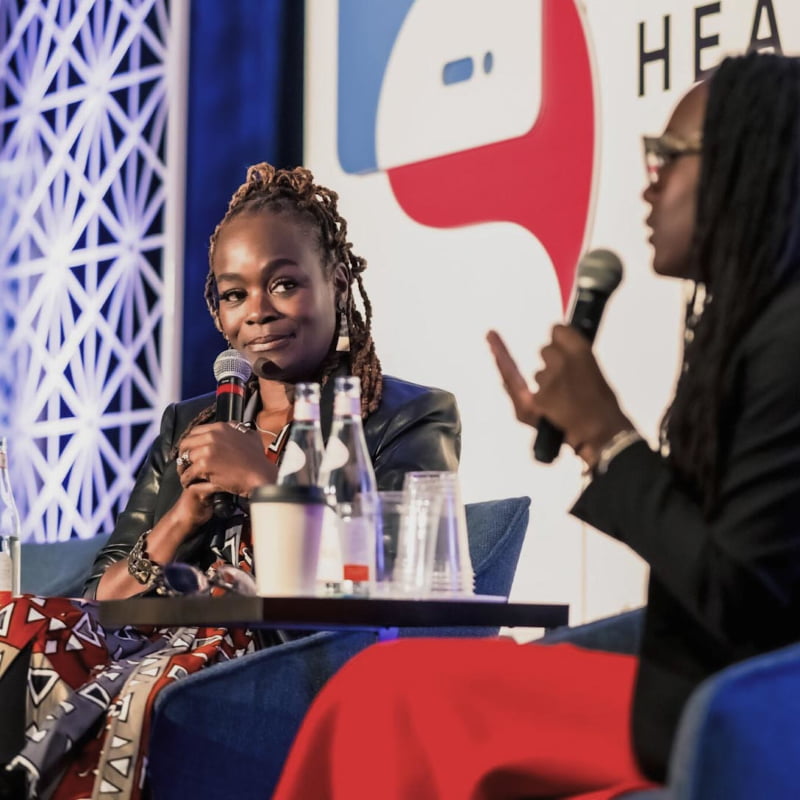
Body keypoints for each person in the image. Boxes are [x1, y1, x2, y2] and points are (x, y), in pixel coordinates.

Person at [271, 52, 800, 800]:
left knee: (389, 696)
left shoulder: (789, 344)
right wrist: (593, 436)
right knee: (385, 683)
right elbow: (721, 546)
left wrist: (608, 438)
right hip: (678, 688)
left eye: (668, 157)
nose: (648, 181)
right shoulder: (746, 328)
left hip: (728, 719)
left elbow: (739, 593)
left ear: (744, 168)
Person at [0, 164, 460, 799]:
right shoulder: (192, 423)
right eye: (234, 294)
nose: (259, 312)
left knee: (149, 686)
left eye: (284, 284)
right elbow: (98, 603)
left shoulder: (407, 416)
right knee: (11, 624)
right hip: (147, 647)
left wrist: (265, 483)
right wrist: (181, 519)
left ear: (337, 280)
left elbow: (383, 587)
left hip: (293, 660)